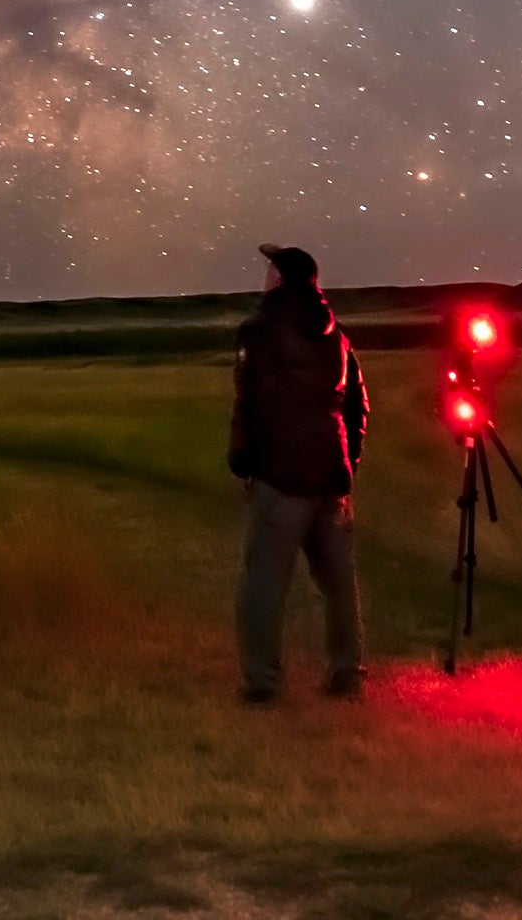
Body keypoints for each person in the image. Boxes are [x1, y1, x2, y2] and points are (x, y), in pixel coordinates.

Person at [228, 241, 368, 701]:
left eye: (270, 268)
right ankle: (348, 674)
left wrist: (243, 462)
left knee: (264, 585)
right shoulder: (338, 336)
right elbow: (356, 407)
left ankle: (262, 683)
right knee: (339, 585)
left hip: (280, 478)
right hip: (332, 475)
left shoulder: (258, 333)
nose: (265, 274)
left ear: (281, 278)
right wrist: (349, 458)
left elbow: (248, 405)